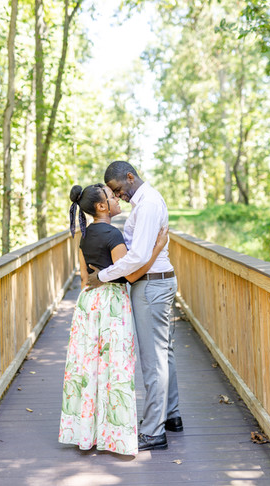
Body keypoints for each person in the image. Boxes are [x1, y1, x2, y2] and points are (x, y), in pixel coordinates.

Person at [58, 182, 168, 456]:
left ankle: (88, 432)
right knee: (115, 369)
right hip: (112, 304)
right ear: (102, 207)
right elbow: (130, 275)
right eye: (111, 197)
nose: (118, 199)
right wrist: (158, 246)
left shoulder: (83, 235)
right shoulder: (113, 234)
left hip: (88, 303)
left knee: (89, 368)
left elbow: (85, 278)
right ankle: (115, 435)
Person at [87, 161, 183, 452]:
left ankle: (153, 432)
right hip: (154, 282)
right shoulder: (143, 204)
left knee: (153, 359)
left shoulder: (149, 203)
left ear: (130, 177)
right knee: (163, 353)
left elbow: (138, 255)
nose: (118, 196)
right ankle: (171, 416)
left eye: (118, 189)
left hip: (151, 285)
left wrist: (101, 276)